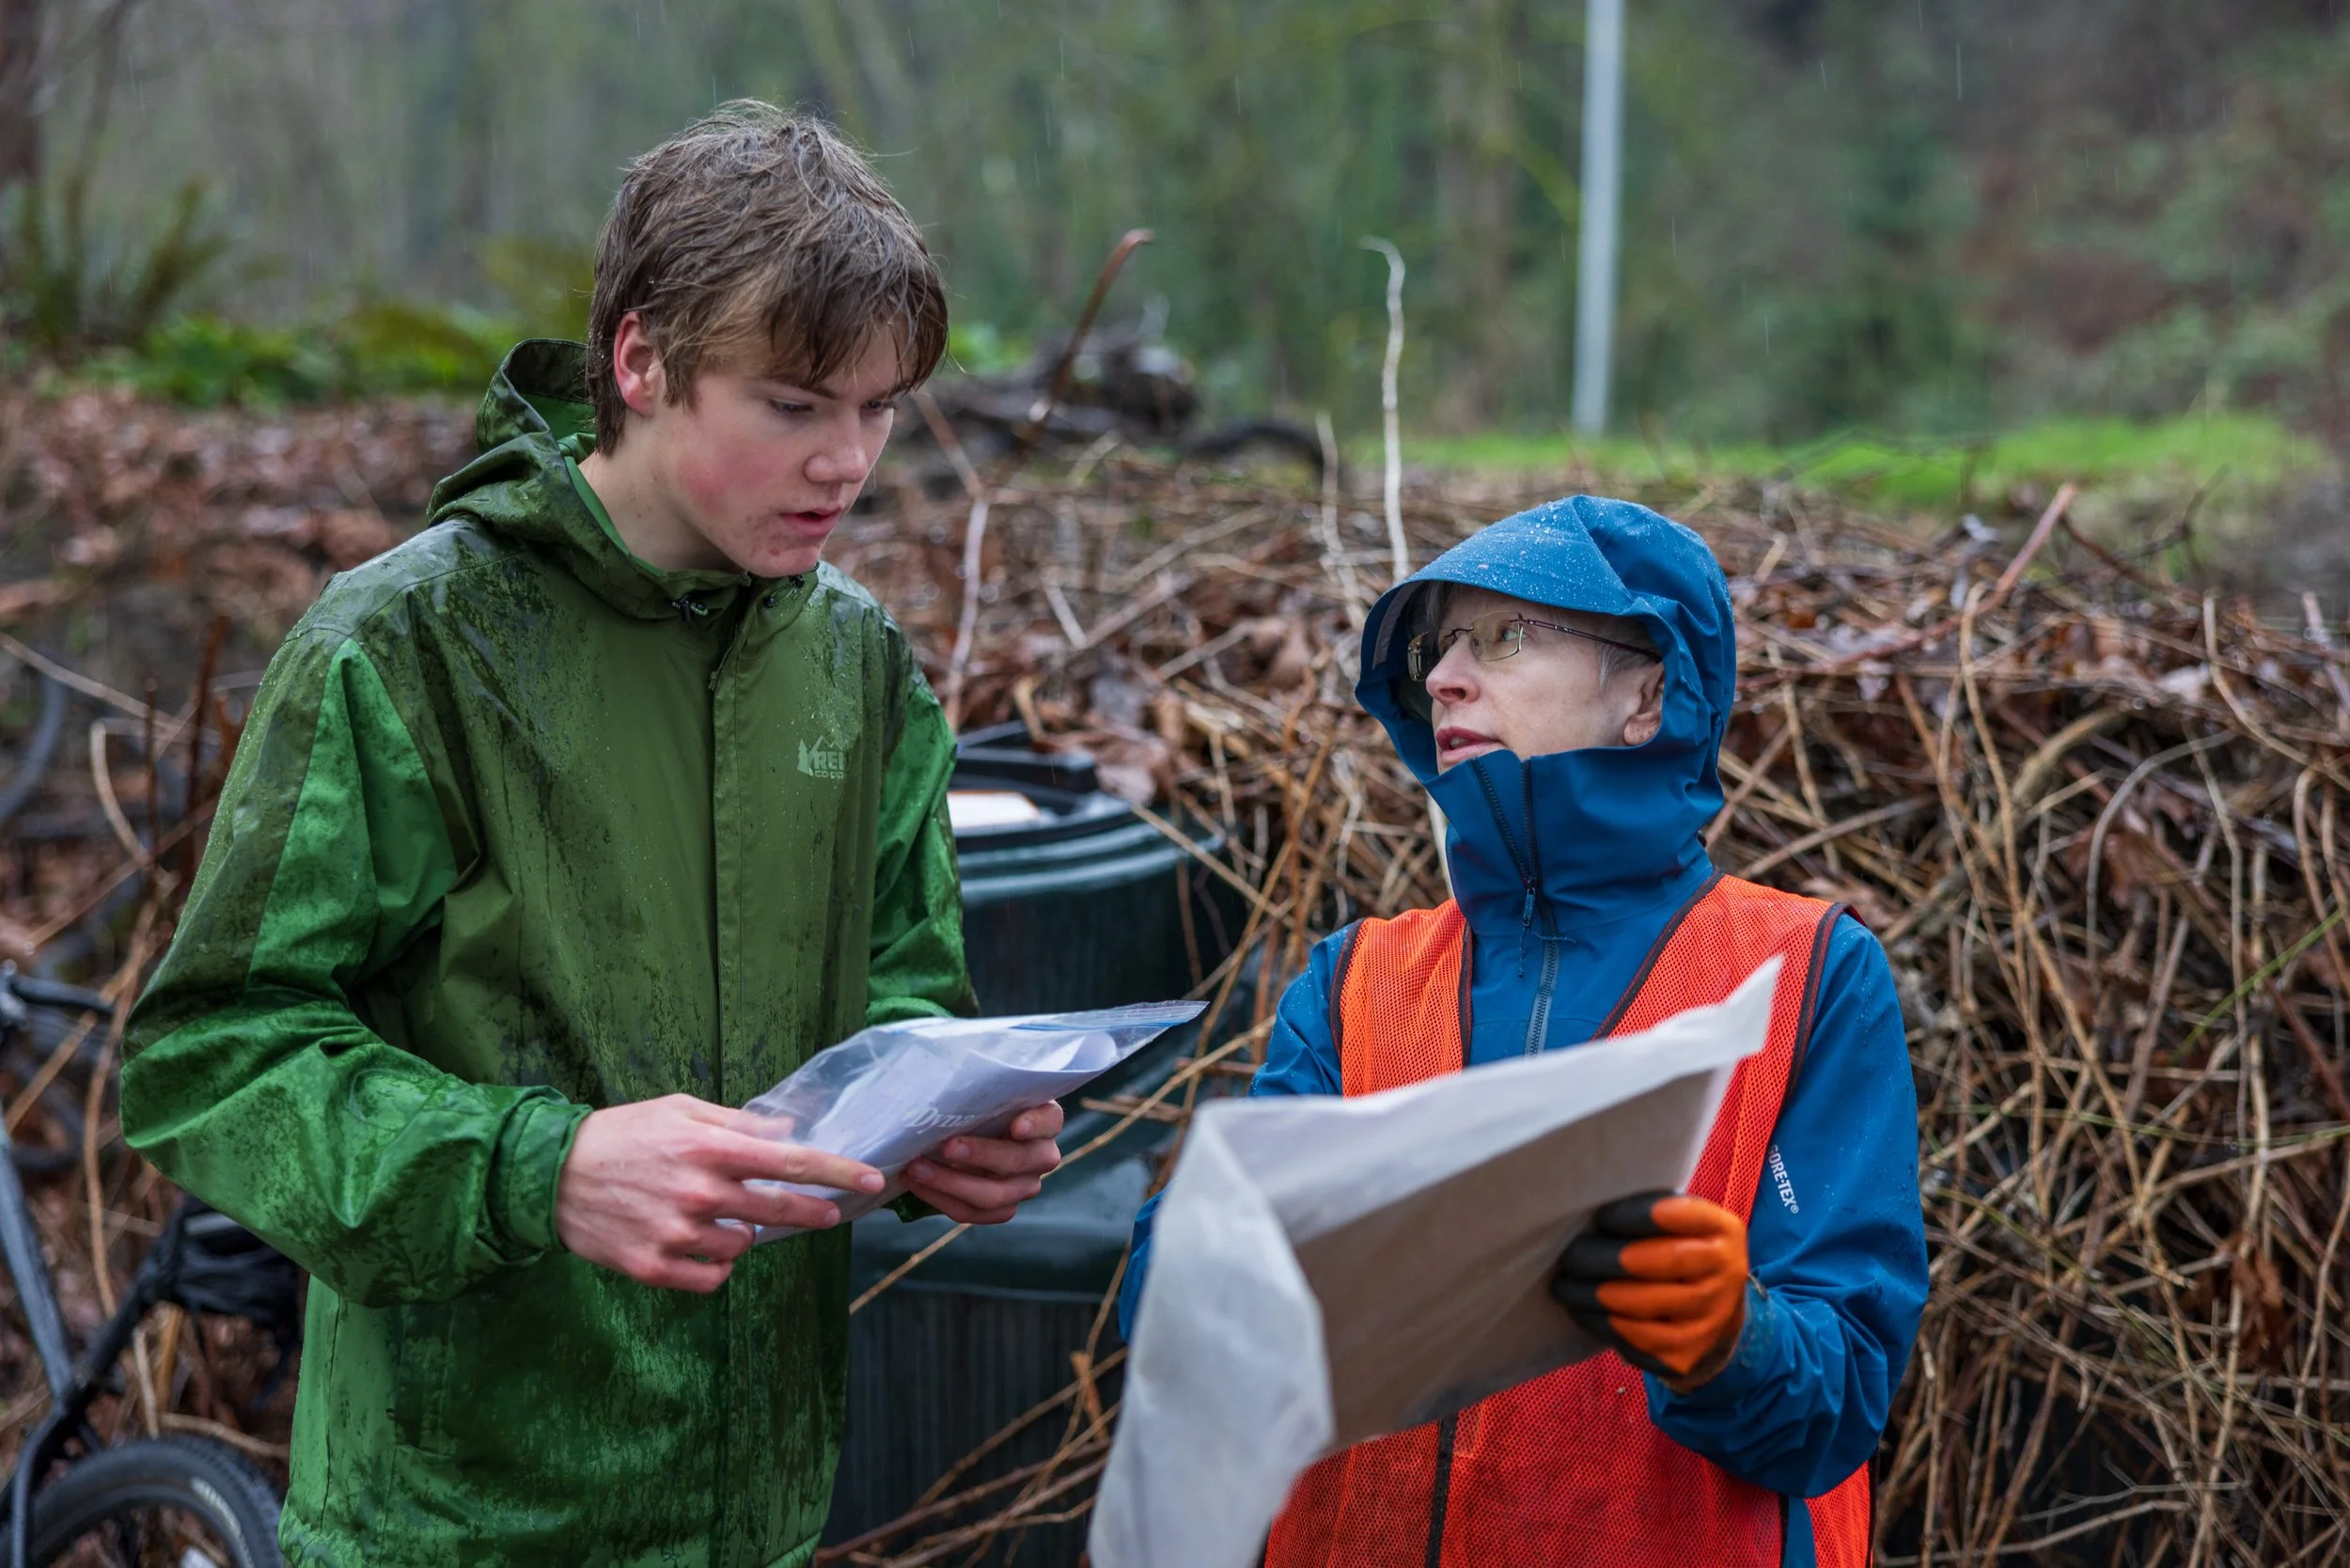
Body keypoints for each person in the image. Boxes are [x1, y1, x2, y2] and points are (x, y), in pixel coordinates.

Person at [121, 104, 1066, 1566]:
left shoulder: (857, 665)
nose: (849, 463)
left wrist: (942, 1127)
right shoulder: (409, 642)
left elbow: (900, 996)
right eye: (795, 405)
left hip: (760, 1514)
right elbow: (211, 1060)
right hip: (451, 1523)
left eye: (880, 410)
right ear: (641, 362)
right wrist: (541, 1168)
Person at [1118, 495, 1927, 1568]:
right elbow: (1172, 1328)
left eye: (1504, 636)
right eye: (1438, 646)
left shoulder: (1808, 974)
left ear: (1646, 694)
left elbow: (1843, 1396)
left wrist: (1735, 1340)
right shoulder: (1356, 981)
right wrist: (1193, 1258)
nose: (1447, 676)